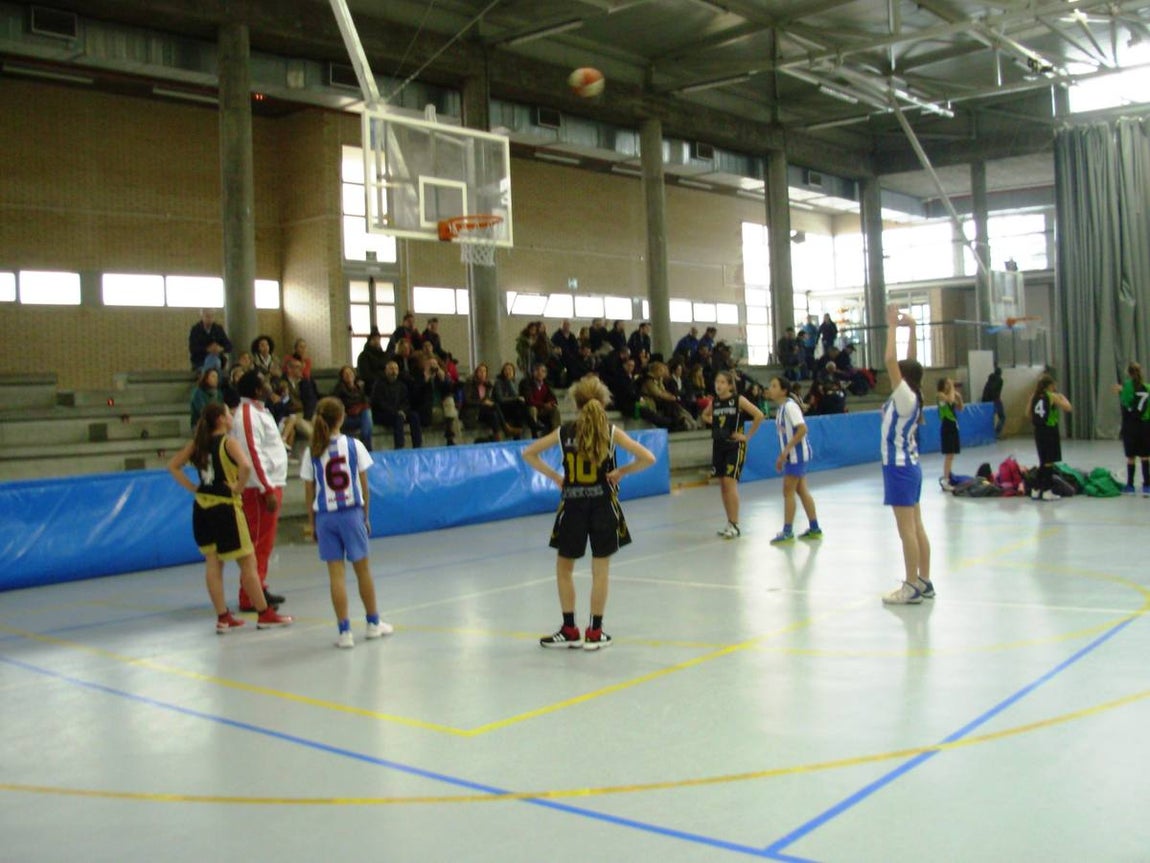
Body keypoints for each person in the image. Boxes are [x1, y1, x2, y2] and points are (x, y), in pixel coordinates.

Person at [522, 376, 656, 651]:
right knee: (600, 570)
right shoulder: (610, 431)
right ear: (603, 402)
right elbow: (648, 458)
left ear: (576, 403)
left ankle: (569, 629)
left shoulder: (564, 432)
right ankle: (595, 632)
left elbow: (529, 453)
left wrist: (556, 477)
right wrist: (621, 471)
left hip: (572, 505)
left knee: (564, 569)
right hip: (603, 505)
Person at [166, 402, 292, 632]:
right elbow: (245, 466)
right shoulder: (228, 442)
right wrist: (238, 487)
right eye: (228, 412)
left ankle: (223, 617)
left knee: (213, 563)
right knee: (248, 563)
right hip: (225, 507)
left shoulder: (198, 444)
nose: (232, 415)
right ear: (222, 420)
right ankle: (264, 614)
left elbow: (173, 466)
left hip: (202, 507)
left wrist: (193, 487)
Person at [302, 397, 393, 649]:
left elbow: (309, 492)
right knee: (362, 570)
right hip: (350, 513)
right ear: (341, 418)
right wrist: (365, 516)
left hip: (325, 517)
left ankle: (345, 632)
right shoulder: (354, 446)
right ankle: (373, 623)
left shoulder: (312, 451)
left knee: (336, 575)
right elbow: (364, 486)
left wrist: (312, 524)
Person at [880, 306, 933, 605]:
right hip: (911, 466)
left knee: (906, 531)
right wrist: (911, 328)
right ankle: (924, 579)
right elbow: (910, 364)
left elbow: (890, 359)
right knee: (917, 526)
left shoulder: (904, 397)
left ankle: (911, 585)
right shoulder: (913, 394)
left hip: (899, 468)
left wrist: (891, 327)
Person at [230, 370, 288, 612]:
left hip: (271, 482)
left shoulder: (259, 411)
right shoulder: (246, 415)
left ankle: (258, 586)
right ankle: (249, 596)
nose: (269, 385)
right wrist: (265, 489)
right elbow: (252, 454)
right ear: (256, 389)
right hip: (258, 488)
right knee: (256, 544)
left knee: (265, 544)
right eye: (264, 382)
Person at [701, 369, 764, 539]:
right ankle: (729, 522)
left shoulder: (738, 400)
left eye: (722, 382)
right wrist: (716, 423)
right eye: (716, 382)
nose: (718, 385)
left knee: (730, 482)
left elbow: (759, 415)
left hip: (734, 446)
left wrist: (747, 436)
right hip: (719, 445)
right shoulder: (715, 402)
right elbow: (704, 416)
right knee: (722, 484)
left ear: (730, 385)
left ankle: (735, 524)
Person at [766, 376, 821, 543]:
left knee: (788, 491)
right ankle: (814, 527)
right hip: (793, 456)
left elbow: (803, 429)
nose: (770, 388)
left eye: (774, 386)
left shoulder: (790, 407)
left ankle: (788, 531)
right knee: (801, 490)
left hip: (797, 456)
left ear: (784, 390)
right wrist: (784, 454)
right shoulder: (781, 409)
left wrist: (787, 451)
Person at [1028, 372, 1073, 501]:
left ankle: (1036, 489)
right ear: (1050, 385)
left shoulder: (1034, 396)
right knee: (1048, 462)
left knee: (1043, 461)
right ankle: (1047, 490)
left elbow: (1028, 413)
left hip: (1038, 431)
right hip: (1049, 430)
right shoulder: (1052, 396)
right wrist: (1062, 398)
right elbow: (1068, 408)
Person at [1113, 361, 1150, 494]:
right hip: (1145, 426)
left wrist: (1121, 391)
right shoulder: (1147, 387)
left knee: (1131, 457)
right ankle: (1147, 486)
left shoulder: (1127, 386)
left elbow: (1126, 402)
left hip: (1131, 425)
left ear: (1128, 373)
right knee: (1145, 456)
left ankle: (1130, 486)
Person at [371, 360, 422, 449]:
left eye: (396, 369)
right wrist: (396, 412)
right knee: (398, 418)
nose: (394, 371)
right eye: (391, 369)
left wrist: (402, 410)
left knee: (414, 416)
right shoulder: (379, 385)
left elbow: (406, 402)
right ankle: (400, 447)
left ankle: (418, 445)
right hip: (384, 414)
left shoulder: (402, 385)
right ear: (386, 371)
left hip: (400, 413)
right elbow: (379, 403)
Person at [332, 364, 373, 451]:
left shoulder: (359, 388)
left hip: (358, 417)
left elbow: (366, 402)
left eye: (350, 373)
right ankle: (367, 449)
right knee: (367, 420)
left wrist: (359, 407)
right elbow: (335, 404)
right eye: (346, 374)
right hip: (345, 419)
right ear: (342, 377)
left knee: (367, 414)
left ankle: (365, 447)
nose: (348, 375)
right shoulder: (339, 388)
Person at [937, 376, 964, 491]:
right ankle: (946, 480)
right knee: (948, 455)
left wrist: (960, 397)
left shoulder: (951, 395)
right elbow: (950, 400)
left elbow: (960, 408)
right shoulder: (940, 395)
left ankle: (948, 475)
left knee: (951, 454)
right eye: (947, 384)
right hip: (946, 426)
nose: (949, 386)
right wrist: (953, 388)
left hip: (953, 426)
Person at [188, 309, 231, 373]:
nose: (210, 319)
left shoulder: (218, 329)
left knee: (214, 359)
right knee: (213, 360)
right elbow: (193, 348)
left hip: (218, 359)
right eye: (207, 316)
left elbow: (229, 346)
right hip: (200, 361)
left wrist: (221, 348)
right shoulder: (195, 330)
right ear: (202, 316)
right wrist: (207, 349)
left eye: (212, 316)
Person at [356, 327, 388, 396]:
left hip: (385, 383)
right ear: (369, 341)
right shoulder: (363, 356)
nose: (377, 341)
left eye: (378, 339)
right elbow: (365, 375)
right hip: (372, 386)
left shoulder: (384, 355)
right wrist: (382, 376)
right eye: (374, 339)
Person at [981, 366, 1006, 436]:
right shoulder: (1000, 380)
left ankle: (988, 433)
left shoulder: (989, 380)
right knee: (1002, 417)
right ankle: (996, 432)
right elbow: (997, 392)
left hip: (985, 401)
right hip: (995, 400)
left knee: (989, 418)